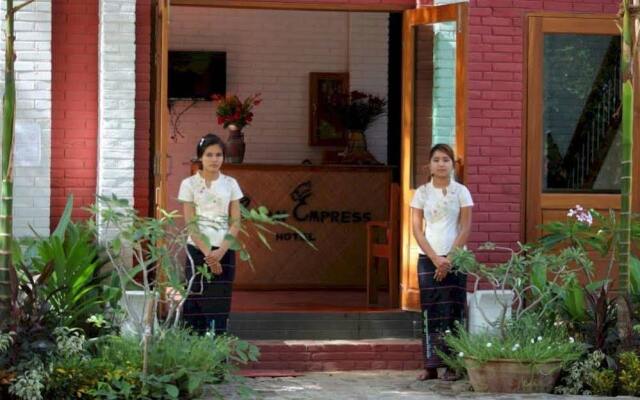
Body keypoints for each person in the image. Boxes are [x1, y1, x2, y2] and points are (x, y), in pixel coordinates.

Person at [410, 143, 473, 381]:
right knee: (431, 311)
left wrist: (449, 259)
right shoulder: (422, 193)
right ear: (430, 164)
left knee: (453, 310)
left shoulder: (462, 192)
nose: (441, 164)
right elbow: (417, 230)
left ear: (452, 164)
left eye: (446, 159)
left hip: (456, 259)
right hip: (429, 259)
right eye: (436, 159)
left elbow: (466, 227)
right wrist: (436, 259)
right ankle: (430, 366)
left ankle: (453, 365)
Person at [178, 133, 243, 335]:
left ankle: (218, 359)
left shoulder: (231, 183)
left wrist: (220, 253)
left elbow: (236, 222)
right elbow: (191, 223)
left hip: (225, 250)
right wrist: (209, 256)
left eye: (219, 155)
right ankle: (193, 356)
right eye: (209, 155)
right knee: (195, 301)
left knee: (219, 305)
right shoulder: (188, 184)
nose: (215, 159)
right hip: (197, 250)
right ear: (200, 157)